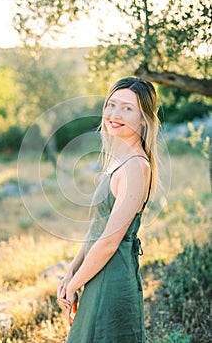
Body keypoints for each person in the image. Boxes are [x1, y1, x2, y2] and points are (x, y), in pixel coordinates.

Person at [57, 77, 160, 342]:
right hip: (95, 271)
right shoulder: (118, 159)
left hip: (112, 279)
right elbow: (96, 227)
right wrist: (72, 270)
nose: (114, 114)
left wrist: (73, 284)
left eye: (127, 109)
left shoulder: (136, 167)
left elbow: (109, 242)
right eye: (111, 105)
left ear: (144, 119)